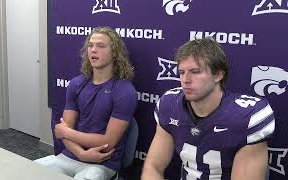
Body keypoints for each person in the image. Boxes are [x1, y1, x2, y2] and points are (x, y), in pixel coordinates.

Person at [141, 38, 275, 180]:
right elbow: (153, 167)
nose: (185, 80)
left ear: (218, 75)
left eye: (195, 72)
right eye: (181, 72)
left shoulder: (247, 116)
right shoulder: (170, 104)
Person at [35, 26, 138, 180]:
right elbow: (62, 132)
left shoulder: (125, 91)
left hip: (102, 162)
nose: (93, 50)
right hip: (70, 155)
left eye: (101, 46)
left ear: (115, 53)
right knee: (29, 170)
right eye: (90, 45)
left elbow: (107, 143)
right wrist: (81, 153)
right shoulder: (76, 84)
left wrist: (67, 133)